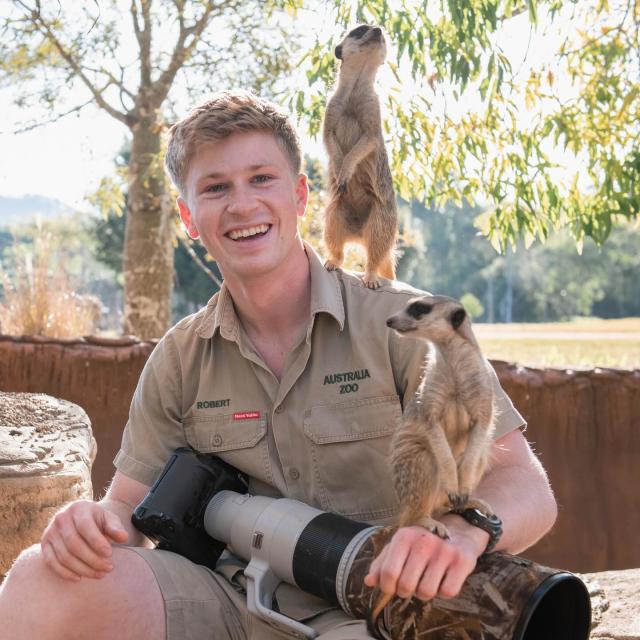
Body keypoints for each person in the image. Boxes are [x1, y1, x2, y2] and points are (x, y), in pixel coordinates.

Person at [0, 91, 557, 640]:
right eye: (216, 188)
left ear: (301, 196)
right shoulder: (180, 357)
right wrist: (94, 525)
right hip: (226, 599)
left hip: (379, 609)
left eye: (261, 179)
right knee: (38, 581)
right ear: (189, 217)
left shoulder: (408, 326)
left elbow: (524, 484)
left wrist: (463, 533)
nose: (242, 205)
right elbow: (127, 510)